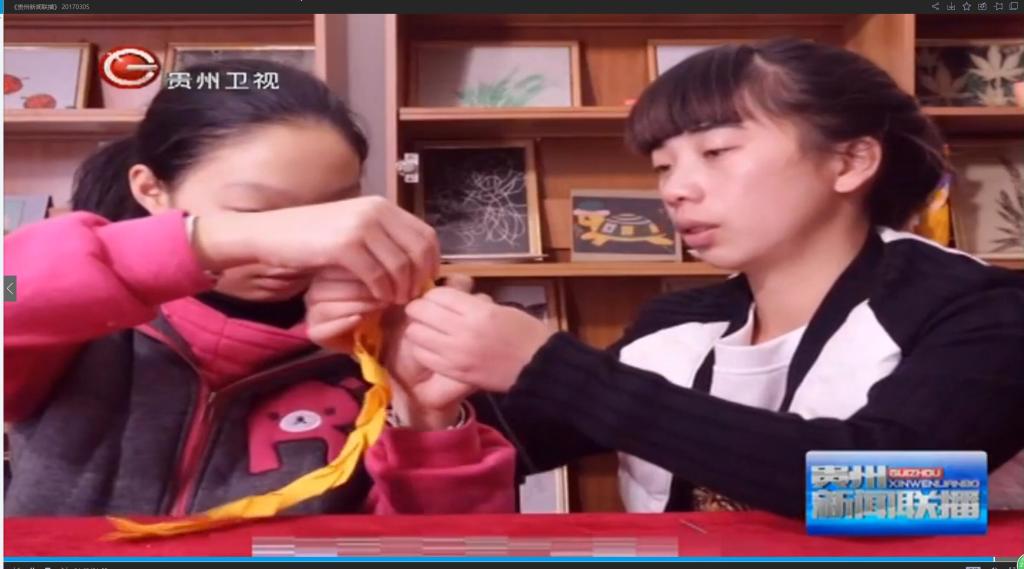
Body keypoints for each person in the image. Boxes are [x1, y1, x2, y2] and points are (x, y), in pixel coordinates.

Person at [378, 38, 1024, 515]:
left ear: (851, 160)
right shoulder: (679, 324)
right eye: (663, 166)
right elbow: (520, 443)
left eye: (716, 151)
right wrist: (435, 405)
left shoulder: (982, 309)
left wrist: (553, 367)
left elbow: (890, 492)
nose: (676, 189)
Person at [3, 60, 514, 517]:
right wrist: (220, 240)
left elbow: (439, 548)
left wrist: (425, 418)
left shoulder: (373, 346)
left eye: (329, 212)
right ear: (151, 190)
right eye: (256, 212)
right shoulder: (76, 326)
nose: (301, 247)